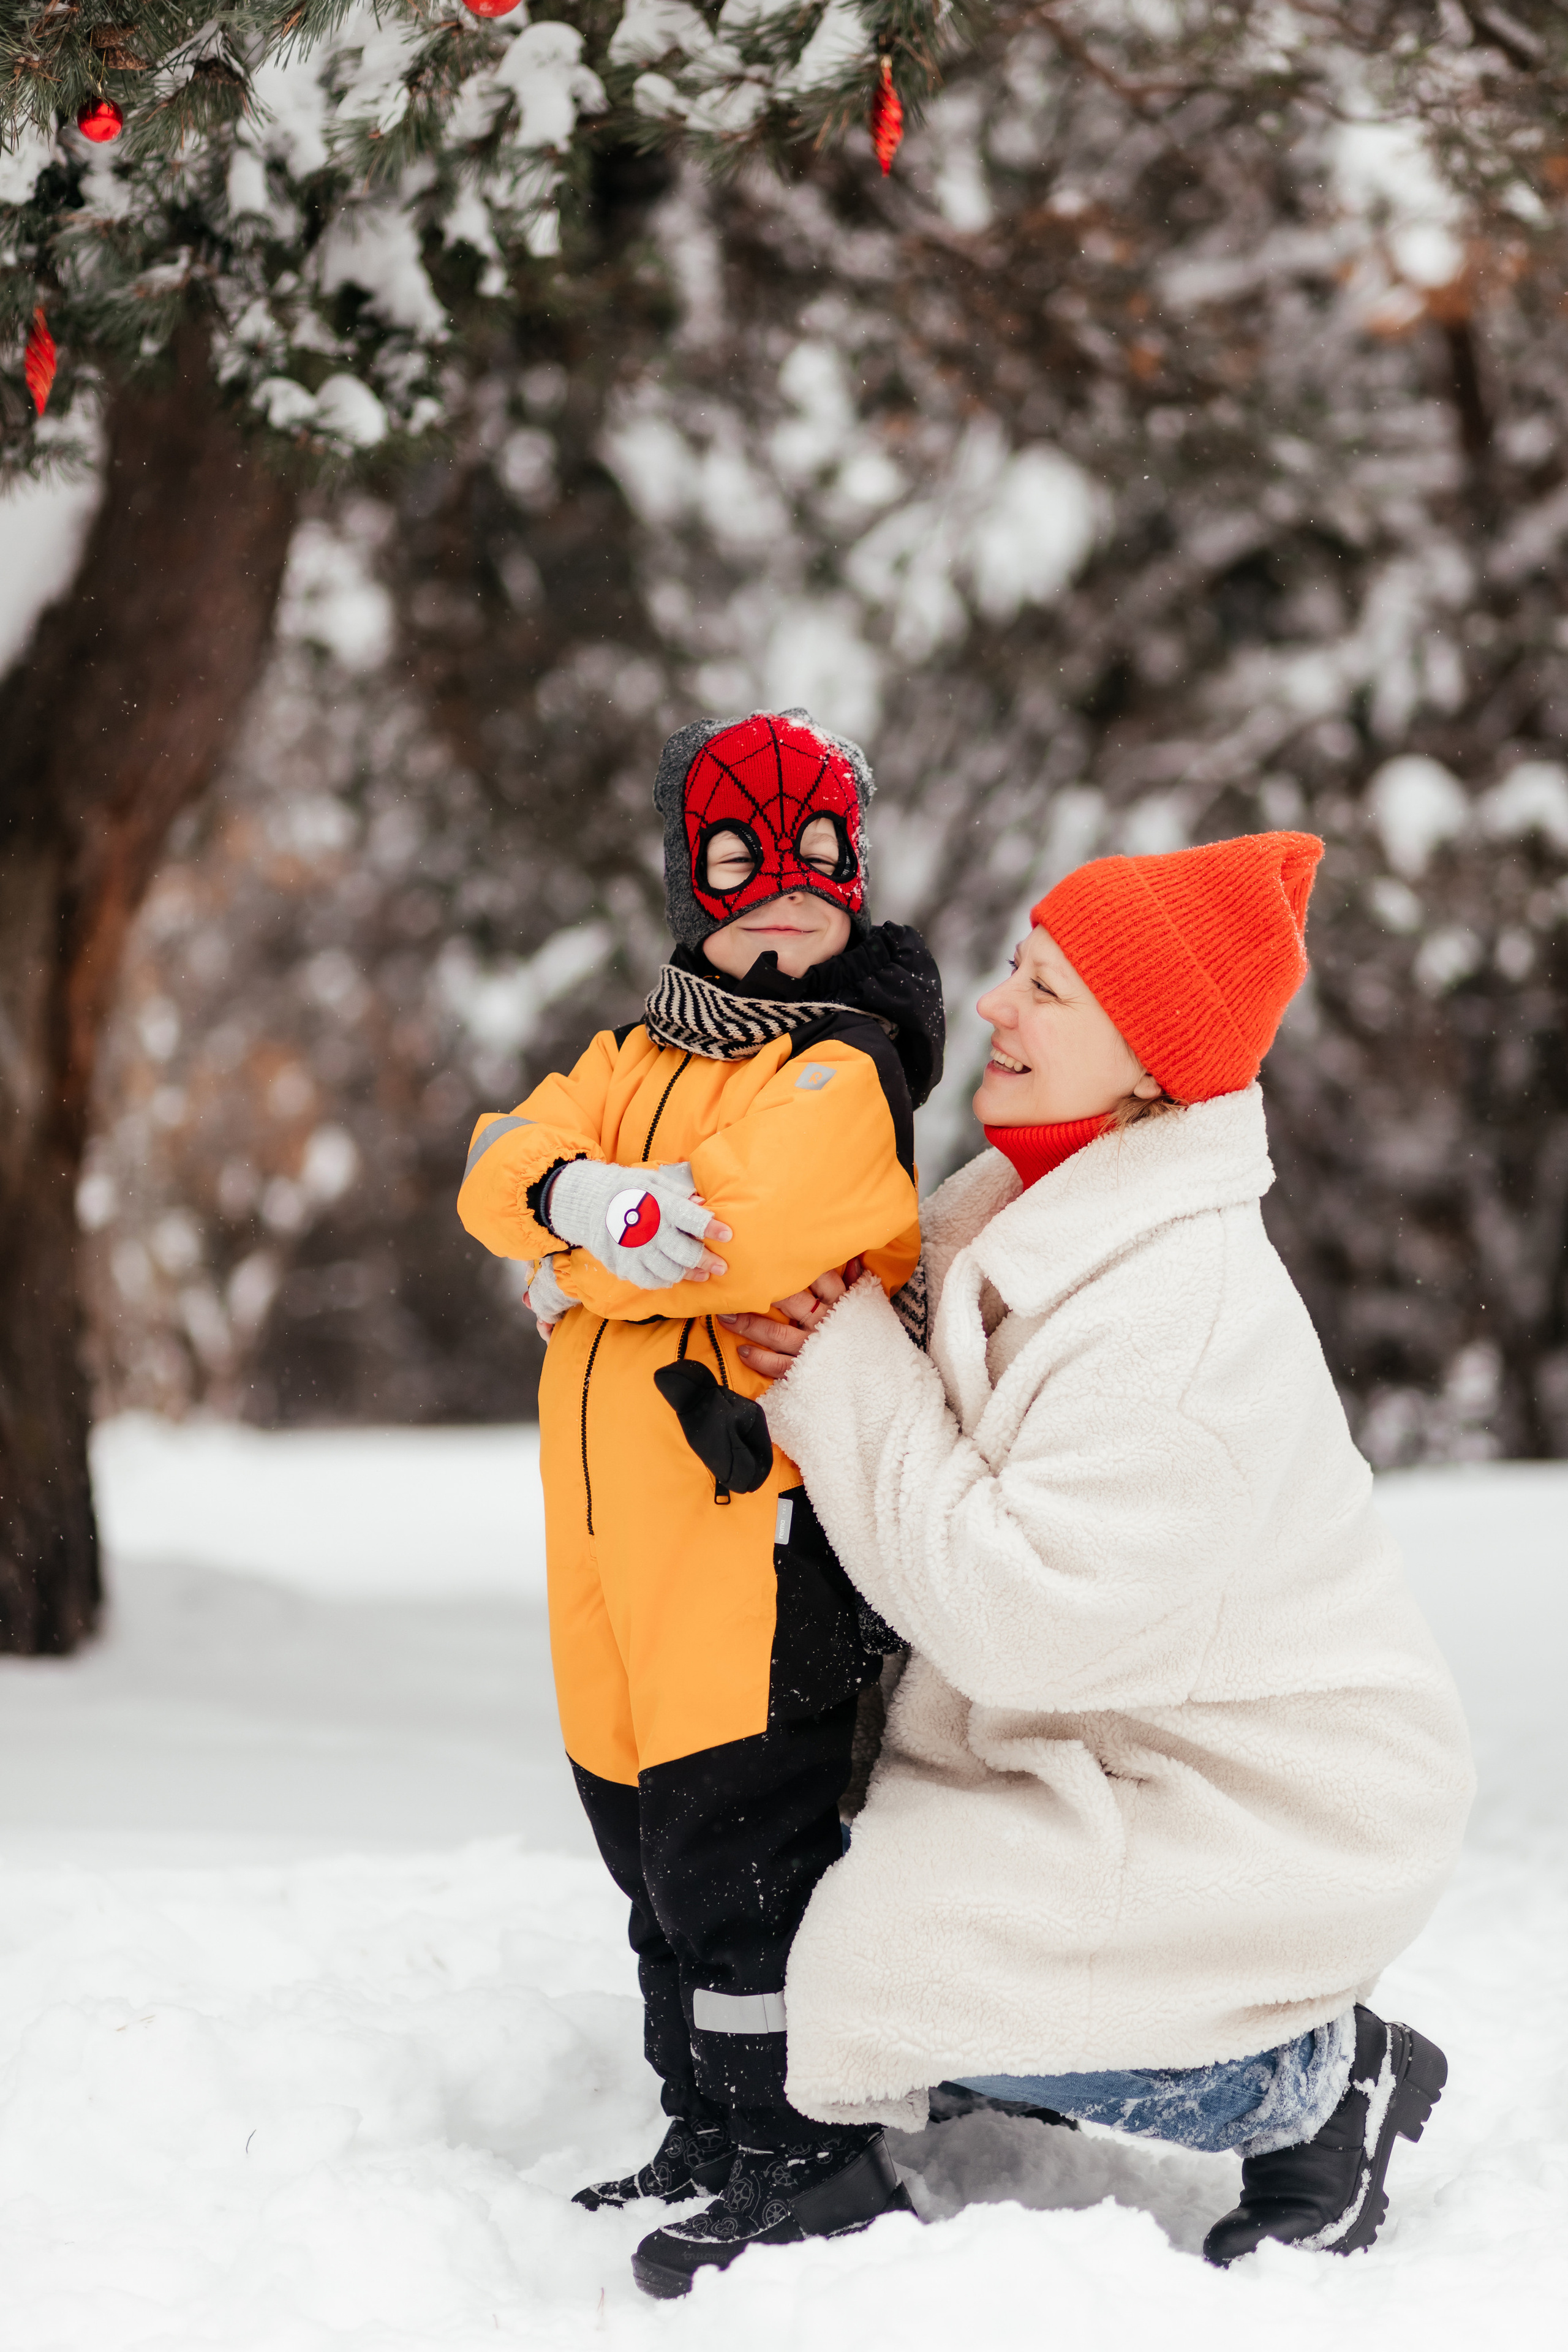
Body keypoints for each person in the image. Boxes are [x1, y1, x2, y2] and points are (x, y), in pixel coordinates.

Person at [724, 831, 1474, 2275]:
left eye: (1046, 991)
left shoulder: (1179, 1315)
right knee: (812, 1907)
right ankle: (1026, 2039)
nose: (997, 1007)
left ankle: (1321, 2077)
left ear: (1146, 1060)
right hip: (1110, 1743)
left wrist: (841, 1368)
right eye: (1016, 968)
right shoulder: (1026, 1206)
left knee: (879, 1969)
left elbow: (1018, 1613)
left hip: (1271, 1805)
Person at [455, 709, 944, 2299]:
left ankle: (807, 2145)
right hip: (610, 1551)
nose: (784, 888)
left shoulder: (848, 1065)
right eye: (745, 855)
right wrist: (582, 1203)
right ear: (693, 875)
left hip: (749, 1550)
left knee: (743, 1854)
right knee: (647, 1848)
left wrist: (562, 1268)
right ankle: (705, 2124)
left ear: (857, 878)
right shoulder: (643, 1053)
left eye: (820, 856)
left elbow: (738, 1236)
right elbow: (491, 1161)